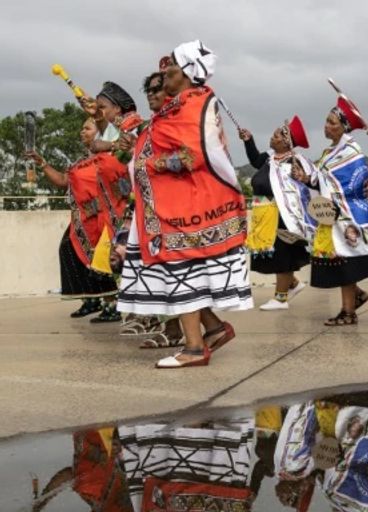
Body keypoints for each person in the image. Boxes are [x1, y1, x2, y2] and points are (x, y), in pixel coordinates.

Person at [118, 41, 252, 368]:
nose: (165, 74)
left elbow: (191, 156)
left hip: (185, 208)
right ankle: (214, 329)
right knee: (174, 274)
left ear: (189, 74)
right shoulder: (179, 106)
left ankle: (194, 348)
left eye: (172, 70)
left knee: (181, 272)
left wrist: (150, 165)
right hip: (167, 207)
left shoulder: (192, 108)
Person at [296, 94, 368, 326]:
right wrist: (306, 178)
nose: (327, 125)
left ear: (344, 128)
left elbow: (354, 182)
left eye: (332, 122)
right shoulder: (329, 152)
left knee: (345, 261)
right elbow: (322, 181)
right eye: (326, 121)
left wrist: (317, 180)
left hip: (346, 215)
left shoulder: (350, 150)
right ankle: (356, 296)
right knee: (338, 260)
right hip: (331, 215)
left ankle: (348, 311)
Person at [26, 119, 121, 321]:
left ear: (100, 133)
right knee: (70, 251)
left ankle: (112, 304)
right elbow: (63, 181)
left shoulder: (109, 158)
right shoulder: (80, 162)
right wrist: (42, 163)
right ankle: (91, 297)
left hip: (103, 218)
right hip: (82, 219)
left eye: (87, 128)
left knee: (100, 259)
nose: (82, 132)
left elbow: (117, 185)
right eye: (82, 128)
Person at [239, 116, 315, 311]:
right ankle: (294, 284)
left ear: (287, 141)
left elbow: (312, 180)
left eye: (276, 136)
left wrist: (304, 178)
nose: (272, 139)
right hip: (264, 213)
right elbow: (255, 159)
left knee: (283, 255)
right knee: (274, 255)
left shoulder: (297, 161)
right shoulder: (270, 158)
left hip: (284, 214)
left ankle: (281, 299)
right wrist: (249, 141)